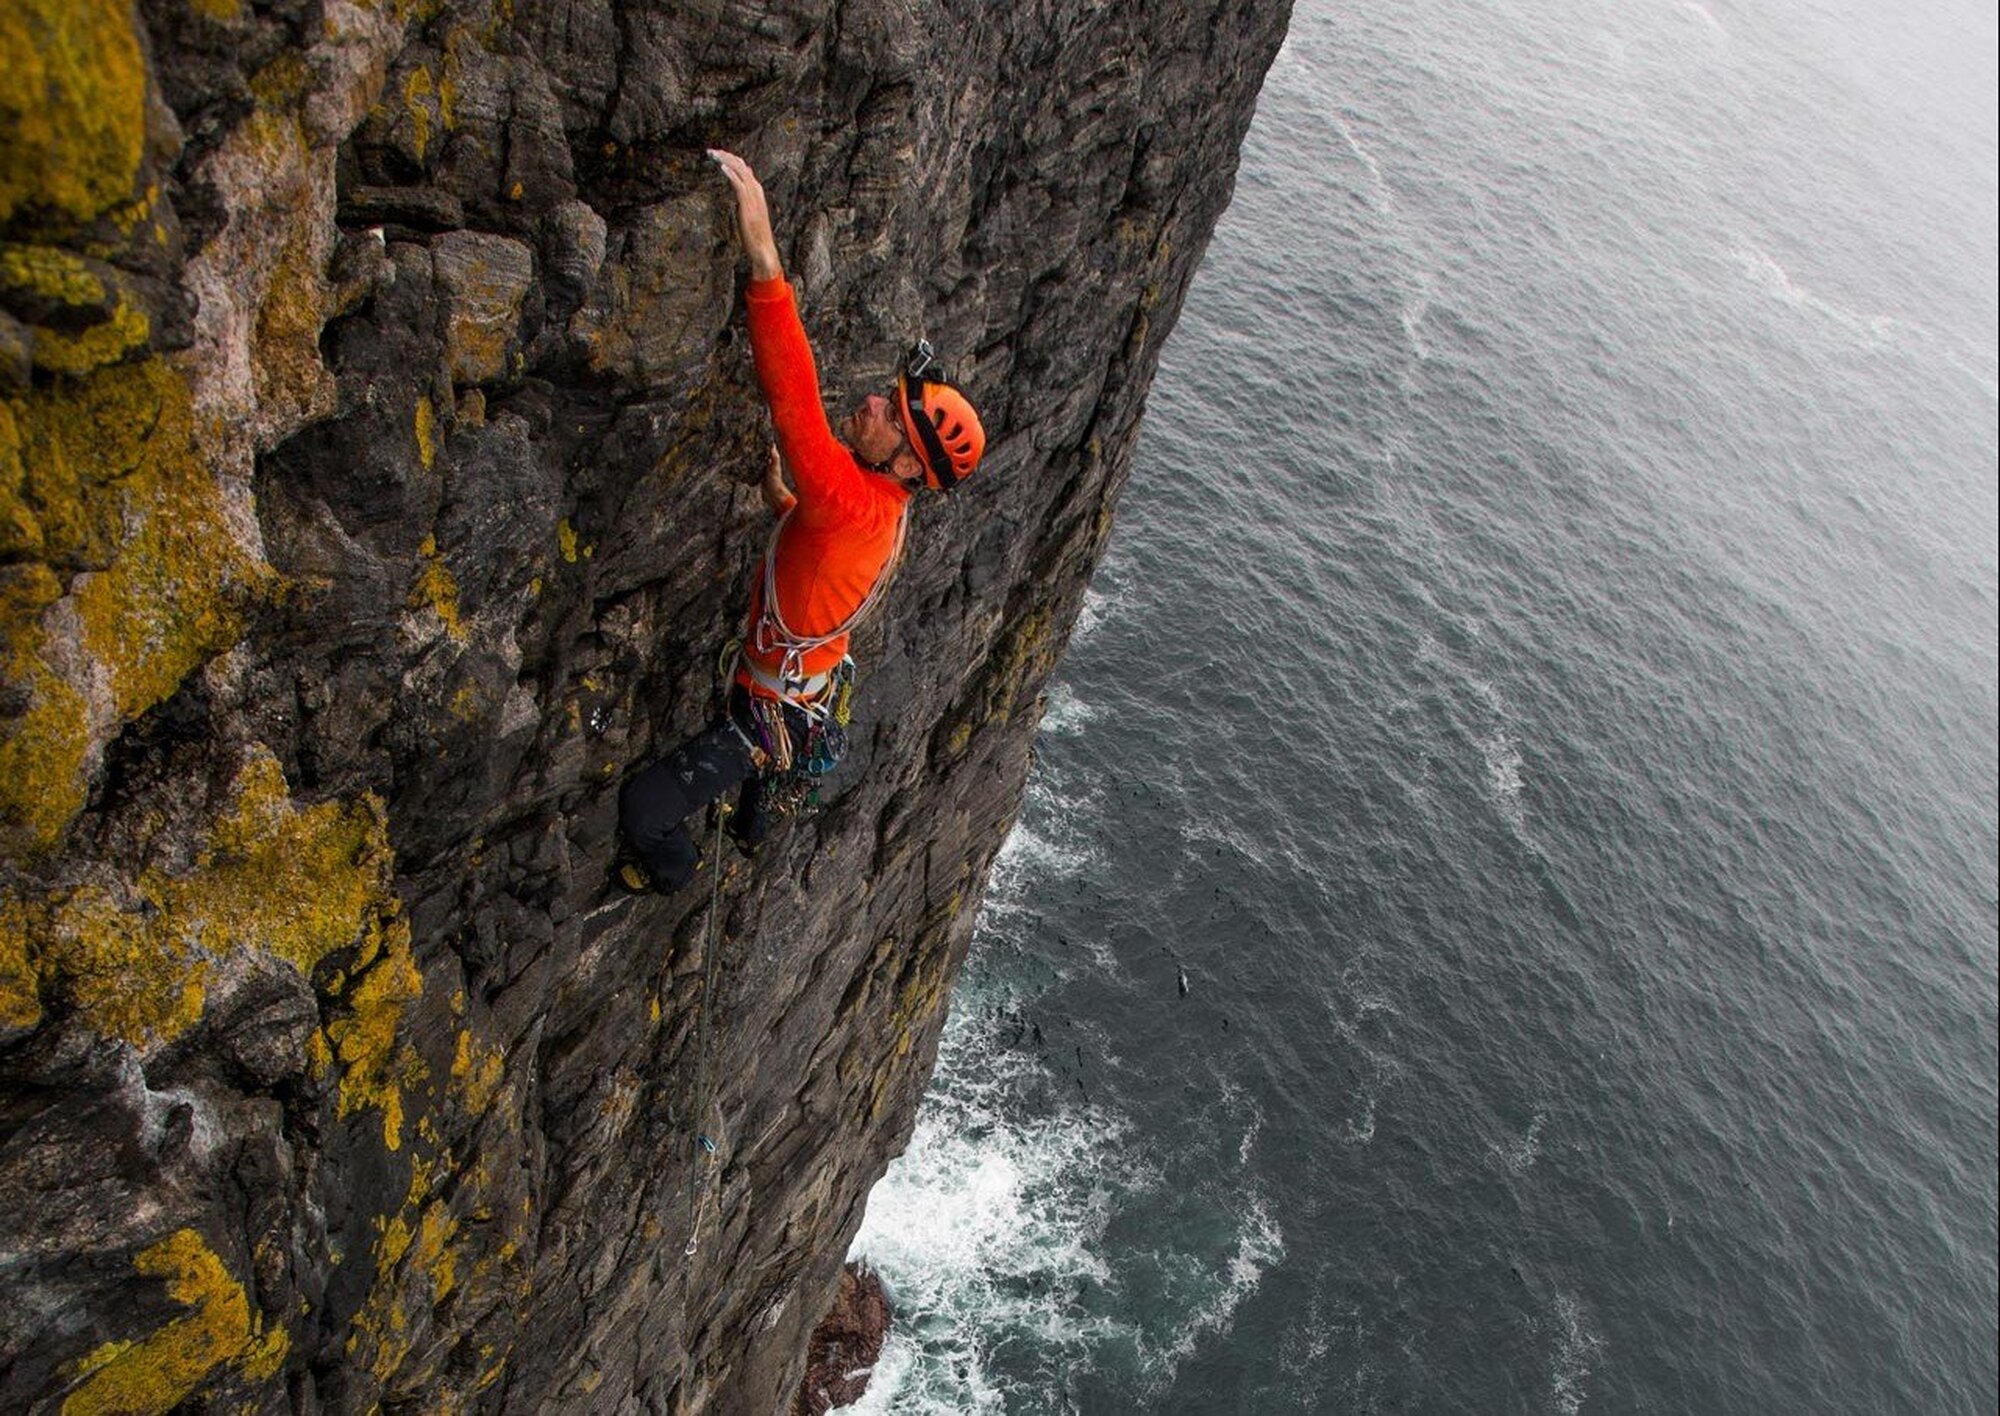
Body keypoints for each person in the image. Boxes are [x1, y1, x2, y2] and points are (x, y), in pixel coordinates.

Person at [616, 149, 987, 894]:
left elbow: (793, 400)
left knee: (644, 809)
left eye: (890, 413)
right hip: (800, 695)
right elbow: (827, 559)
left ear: (908, 466)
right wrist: (784, 501)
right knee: (759, 781)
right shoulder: (875, 509)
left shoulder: (849, 499)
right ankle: (750, 835)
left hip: (769, 707)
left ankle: (674, 876)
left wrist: (763, 255)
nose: (875, 405)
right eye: (887, 395)